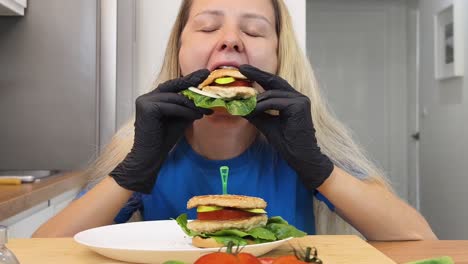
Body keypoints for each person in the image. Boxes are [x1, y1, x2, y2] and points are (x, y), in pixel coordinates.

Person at [33, 0, 437, 240]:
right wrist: (132, 171)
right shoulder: (142, 153)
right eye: (208, 26)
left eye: (255, 32)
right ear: (179, 50)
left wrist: (318, 167)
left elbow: (418, 238)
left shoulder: (307, 147)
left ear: (280, 58)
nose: (230, 39)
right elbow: (40, 251)